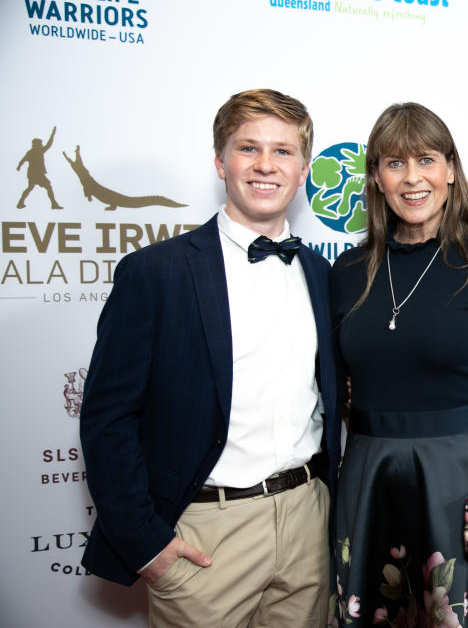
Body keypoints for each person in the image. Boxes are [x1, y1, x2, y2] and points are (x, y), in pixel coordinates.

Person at [80, 88, 340, 627]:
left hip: (309, 521)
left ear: (304, 169)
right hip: (206, 532)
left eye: (283, 151)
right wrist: (145, 544)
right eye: (248, 149)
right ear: (220, 161)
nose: (266, 165)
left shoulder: (323, 276)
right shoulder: (156, 273)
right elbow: (107, 419)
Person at [329, 102, 468, 627]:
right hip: (366, 479)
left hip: (456, 479)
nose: (412, 179)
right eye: (394, 164)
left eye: (426, 160)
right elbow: (328, 394)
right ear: (376, 178)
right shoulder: (347, 270)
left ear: (450, 170)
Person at [16, 126, 62, 209]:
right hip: (37, 174)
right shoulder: (38, 151)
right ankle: (54, 204)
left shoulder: (31, 152)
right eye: (40, 144)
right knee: (48, 186)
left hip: (32, 174)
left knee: (30, 188)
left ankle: (20, 202)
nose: (41, 145)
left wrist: (19, 166)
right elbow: (49, 144)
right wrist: (53, 133)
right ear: (37, 144)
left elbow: (22, 160)